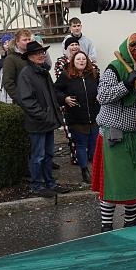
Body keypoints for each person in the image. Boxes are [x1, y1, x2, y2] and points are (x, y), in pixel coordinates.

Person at [92, 33, 136, 231]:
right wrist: (126, 84)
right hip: (114, 134)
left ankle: (130, 220)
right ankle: (106, 224)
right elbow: (102, 96)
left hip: (134, 132)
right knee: (113, 181)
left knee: (133, 178)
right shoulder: (114, 68)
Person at [16, 40, 69, 196]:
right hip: (37, 123)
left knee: (48, 155)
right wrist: (44, 115)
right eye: (38, 53)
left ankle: (50, 183)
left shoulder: (43, 72)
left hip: (47, 121)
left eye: (42, 53)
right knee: (38, 156)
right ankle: (37, 186)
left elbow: (51, 95)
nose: (41, 55)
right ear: (30, 57)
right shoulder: (26, 74)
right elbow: (27, 101)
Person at [54, 50, 101, 184]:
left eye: (83, 59)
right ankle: (84, 170)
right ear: (73, 62)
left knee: (94, 145)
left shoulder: (93, 75)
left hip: (94, 115)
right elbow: (55, 90)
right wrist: (65, 98)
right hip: (76, 117)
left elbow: (101, 86)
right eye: (78, 59)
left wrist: (100, 94)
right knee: (80, 145)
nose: (81, 61)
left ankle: (96, 170)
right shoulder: (66, 76)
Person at [0, 34, 13, 102]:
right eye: (5, 43)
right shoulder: (0, 62)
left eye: (9, 42)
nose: (7, 45)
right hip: (6, 92)